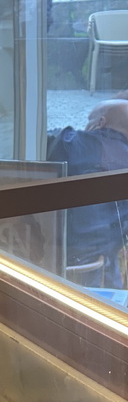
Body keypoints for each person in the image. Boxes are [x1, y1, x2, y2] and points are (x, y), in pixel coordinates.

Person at [47, 99, 128, 287]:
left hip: (64, 268)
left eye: (88, 120)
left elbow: (40, 139)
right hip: (104, 270)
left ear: (100, 123)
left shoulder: (78, 144)